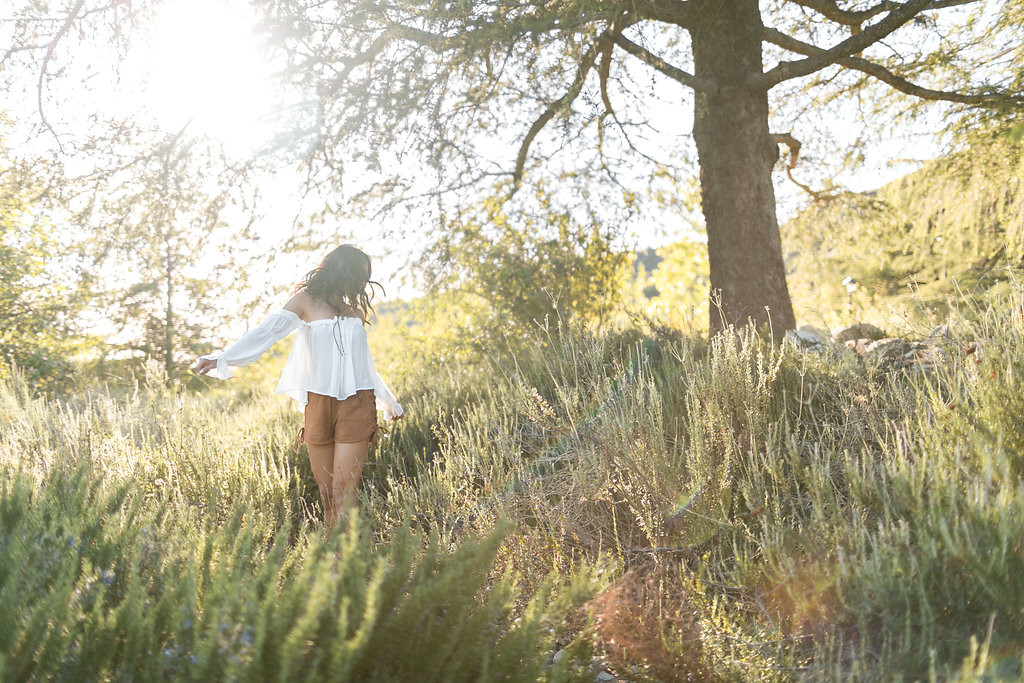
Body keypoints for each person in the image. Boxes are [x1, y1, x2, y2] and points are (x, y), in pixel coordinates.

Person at [193, 244, 403, 528]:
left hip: (356, 404)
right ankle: (335, 560)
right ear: (343, 269)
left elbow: (363, 365)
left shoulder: (354, 313)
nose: (363, 282)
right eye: (360, 273)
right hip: (317, 404)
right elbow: (269, 331)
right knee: (328, 492)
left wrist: (386, 399)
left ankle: (346, 565)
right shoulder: (306, 301)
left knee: (344, 489)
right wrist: (223, 357)